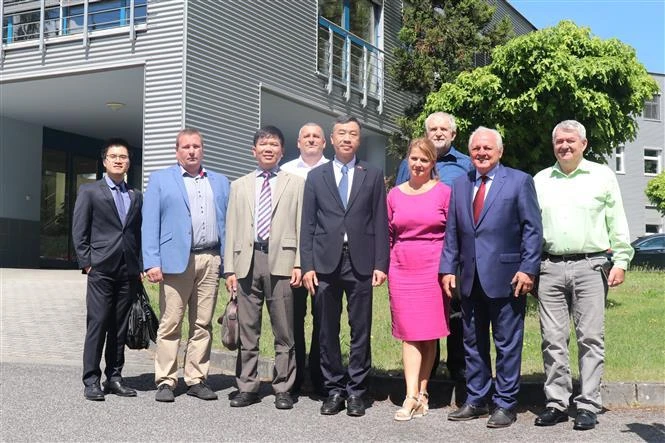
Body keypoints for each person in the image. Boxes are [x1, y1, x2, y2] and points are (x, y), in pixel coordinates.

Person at [533, 120, 634, 431]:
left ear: (584, 145)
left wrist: (621, 260)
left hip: (591, 266)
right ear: (554, 146)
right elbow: (530, 228)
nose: (565, 146)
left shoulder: (601, 176)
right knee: (552, 338)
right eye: (559, 141)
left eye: (571, 141)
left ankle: (588, 404)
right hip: (549, 267)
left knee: (590, 337)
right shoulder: (541, 180)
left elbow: (617, 218)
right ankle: (557, 403)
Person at [440, 127, 542, 428]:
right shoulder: (460, 184)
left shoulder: (520, 181)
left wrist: (528, 268)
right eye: (476, 149)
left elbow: (532, 230)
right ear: (469, 152)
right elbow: (452, 233)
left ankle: (505, 403)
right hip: (469, 278)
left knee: (507, 344)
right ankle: (476, 399)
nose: (481, 153)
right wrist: (447, 268)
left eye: (487, 148)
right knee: (473, 343)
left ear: (500, 151)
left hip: (508, 277)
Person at [300, 115, 389, 417]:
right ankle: (334, 389)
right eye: (342, 133)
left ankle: (356, 391)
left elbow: (380, 220)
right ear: (332, 139)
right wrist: (308, 264)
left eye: (353, 133)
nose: (347, 138)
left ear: (358, 140)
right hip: (325, 262)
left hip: (360, 261)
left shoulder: (372, 174)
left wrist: (381, 263)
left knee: (360, 329)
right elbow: (308, 224)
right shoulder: (316, 176)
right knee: (326, 327)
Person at [142, 128, 230, 403]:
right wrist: (151, 261)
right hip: (173, 261)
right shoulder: (160, 179)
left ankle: (196, 378)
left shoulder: (220, 181)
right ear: (176, 151)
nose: (192, 151)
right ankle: (166, 380)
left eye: (197, 146)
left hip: (210, 258)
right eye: (186, 147)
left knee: (202, 323)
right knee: (171, 323)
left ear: (203, 149)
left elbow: (228, 223)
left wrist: (229, 264)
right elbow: (149, 222)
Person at [224, 126, 305, 410]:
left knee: (284, 329)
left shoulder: (295, 183)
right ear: (254, 151)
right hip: (247, 260)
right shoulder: (240, 185)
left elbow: (300, 225)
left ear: (282, 151)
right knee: (248, 329)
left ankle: (283, 387)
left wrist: (298, 262)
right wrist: (230, 269)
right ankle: (247, 386)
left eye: (274, 144)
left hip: (282, 261)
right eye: (263, 144)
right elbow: (231, 227)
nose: (268, 148)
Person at [396, 111, 472, 382]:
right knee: (425, 310)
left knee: (456, 310)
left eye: (444, 129)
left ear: (453, 134)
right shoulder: (409, 164)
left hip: (457, 248)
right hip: (417, 256)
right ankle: (430, 369)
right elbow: (399, 202)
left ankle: (458, 367)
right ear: (426, 133)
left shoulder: (466, 164)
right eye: (433, 129)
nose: (438, 133)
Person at [72, 138, 142, 401]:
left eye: (123, 156)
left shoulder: (135, 195)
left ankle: (114, 377)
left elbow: (136, 233)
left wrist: (141, 265)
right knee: (98, 323)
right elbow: (79, 229)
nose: (118, 160)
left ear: (128, 162)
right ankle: (91, 380)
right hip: (100, 268)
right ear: (104, 162)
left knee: (119, 327)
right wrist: (87, 263)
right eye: (113, 156)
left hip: (128, 270)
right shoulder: (90, 191)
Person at [387, 138, 451, 421]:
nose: (418, 164)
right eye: (414, 158)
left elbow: (452, 235)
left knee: (429, 334)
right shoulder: (394, 195)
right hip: (402, 268)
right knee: (409, 333)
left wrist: (450, 269)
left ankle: (423, 393)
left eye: (424, 160)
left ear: (432, 163)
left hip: (433, 268)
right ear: (407, 160)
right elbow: (388, 234)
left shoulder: (444, 193)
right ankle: (410, 394)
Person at [280, 122, 328, 396]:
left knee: (323, 317)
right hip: (290, 257)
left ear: (324, 143)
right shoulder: (286, 171)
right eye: (306, 136)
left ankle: (320, 375)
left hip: (324, 256)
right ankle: (295, 375)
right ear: (298, 143)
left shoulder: (333, 170)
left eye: (316, 137)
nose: (311, 140)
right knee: (293, 318)